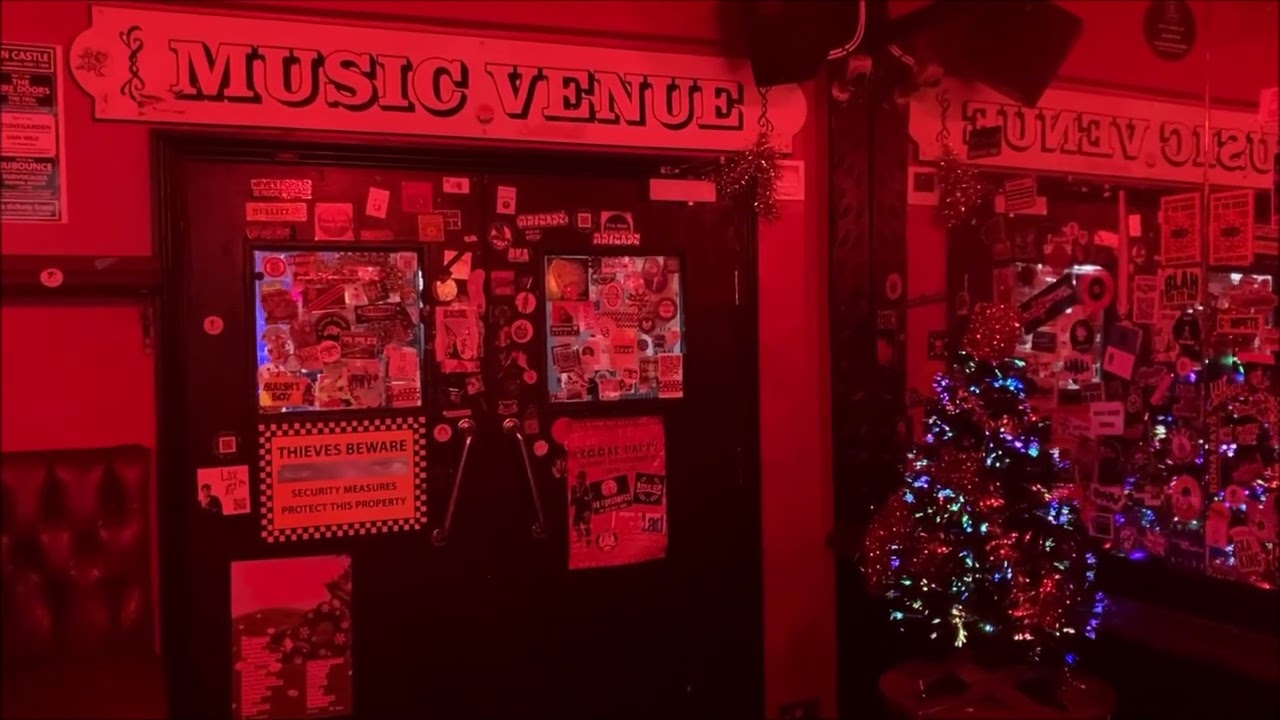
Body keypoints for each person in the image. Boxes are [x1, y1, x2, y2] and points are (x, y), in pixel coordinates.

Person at [570, 472, 593, 546]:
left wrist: (589, 511)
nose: (578, 480)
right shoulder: (574, 488)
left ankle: (588, 540)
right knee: (575, 525)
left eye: (580, 478)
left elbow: (590, 500)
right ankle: (581, 536)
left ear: (584, 479)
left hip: (586, 509)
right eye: (577, 478)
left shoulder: (587, 488)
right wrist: (572, 502)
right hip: (578, 509)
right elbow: (572, 498)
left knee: (586, 525)